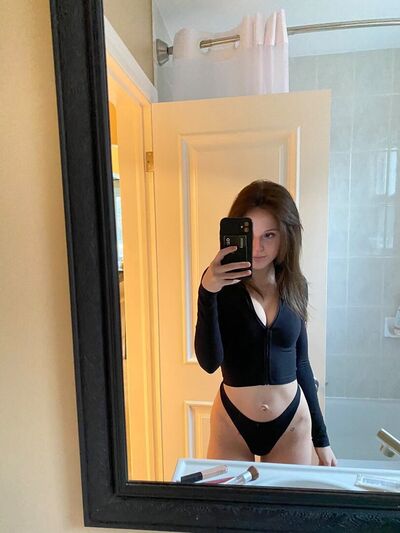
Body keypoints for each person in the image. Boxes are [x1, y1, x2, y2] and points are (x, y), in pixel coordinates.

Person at [194, 180, 336, 466]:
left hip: (291, 424)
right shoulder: (219, 285)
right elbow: (210, 362)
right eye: (251, 235)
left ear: (286, 235)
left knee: (285, 499)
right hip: (231, 423)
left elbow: (301, 363)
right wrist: (207, 292)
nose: (258, 248)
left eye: (269, 235)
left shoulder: (295, 285)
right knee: (228, 498)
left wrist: (322, 440)